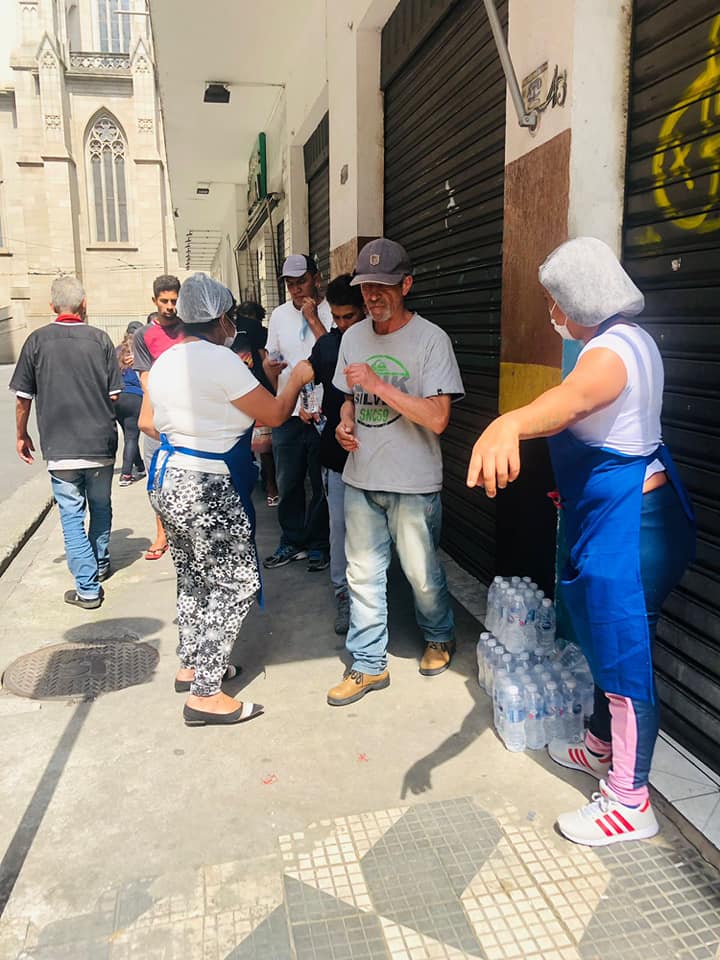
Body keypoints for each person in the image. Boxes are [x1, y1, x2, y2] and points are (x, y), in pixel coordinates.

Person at [466, 237, 695, 846]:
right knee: (604, 646)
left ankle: (629, 801)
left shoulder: (611, 352)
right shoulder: (624, 340)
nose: (552, 312)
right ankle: (600, 746)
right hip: (621, 516)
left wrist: (510, 422)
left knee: (623, 663)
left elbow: (573, 400)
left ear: (579, 300)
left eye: (554, 301)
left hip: (630, 528)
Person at [139, 272, 314, 726]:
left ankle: (193, 664)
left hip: (168, 479)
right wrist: (296, 378)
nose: (233, 325)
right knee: (236, 583)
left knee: (194, 577)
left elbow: (148, 423)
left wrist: (193, 431)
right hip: (206, 485)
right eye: (230, 317)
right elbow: (275, 413)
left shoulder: (165, 361)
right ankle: (206, 694)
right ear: (220, 319)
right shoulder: (221, 360)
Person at [328, 239, 464, 706]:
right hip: (361, 477)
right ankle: (368, 663)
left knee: (421, 575)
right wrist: (345, 422)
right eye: (366, 287)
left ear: (406, 285)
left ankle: (439, 635)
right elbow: (348, 399)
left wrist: (379, 384)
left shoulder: (431, 340)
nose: (372, 296)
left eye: (382, 287)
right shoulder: (352, 338)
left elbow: (438, 418)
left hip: (413, 481)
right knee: (362, 576)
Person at [10, 276, 122, 609]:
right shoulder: (101, 340)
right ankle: (99, 565)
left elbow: (23, 399)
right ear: (84, 304)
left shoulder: (36, 341)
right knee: (100, 507)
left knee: (72, 516)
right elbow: (114, 395)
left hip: (61, 448)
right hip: (100, 444)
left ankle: (87, 588)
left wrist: (21, 434)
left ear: (52, 306)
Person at [262, 255, 332, 570]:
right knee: (288, 481)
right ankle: (292, 540)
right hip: (288, 414)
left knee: (320, 483)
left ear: (316, 278)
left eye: (301, 282)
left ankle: (318, 543)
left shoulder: (330, 312)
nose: (295, 289)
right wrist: (270, 370)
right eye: (290, 284)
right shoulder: (278, 315)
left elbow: (333, 353)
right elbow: (272, 362)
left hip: (323, 412)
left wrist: (313, 318)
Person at [306, 274, 365, 635]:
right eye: (338, 317)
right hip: (336, 455)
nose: (343, 324)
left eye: (350, 317)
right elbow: (308, 381)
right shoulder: (327, 347)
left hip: (377, 455)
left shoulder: (380, 345)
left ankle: (373, 598)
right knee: (339, 528)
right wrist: (306, 406)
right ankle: (343, 595)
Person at [133, 275, 183, 560]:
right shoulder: (143, 335)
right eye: (164, 301)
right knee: (156, 478)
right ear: (155, 301)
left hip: (188, 416)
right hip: (157, 418)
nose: (169, 306)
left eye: (174, 300)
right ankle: (162, 532)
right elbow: (144, 377)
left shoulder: (189, 329)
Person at [230, 301, 278, 506]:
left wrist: (273, 388)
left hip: (257, 389)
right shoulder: (217, 332)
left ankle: (271, 486)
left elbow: (265, 357)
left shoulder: (252, 328)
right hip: (233, 393)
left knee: (264, 445)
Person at [115, 321, 146, 486]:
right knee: (132, 437)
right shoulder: (141, 351)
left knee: (129, 434)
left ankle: (139, 466)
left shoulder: (117, 351)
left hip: (117, 397)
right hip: (134, 397)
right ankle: (126, 474)